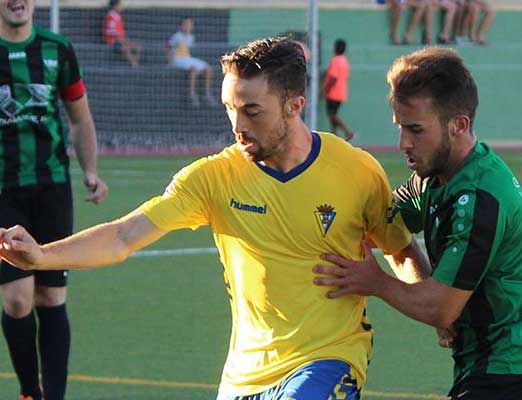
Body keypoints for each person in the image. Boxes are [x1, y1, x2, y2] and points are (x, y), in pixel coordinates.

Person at [0, 37, 428, 400]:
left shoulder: (356, 171)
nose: (236, 124)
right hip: (243, 376)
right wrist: (40, 257)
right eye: (229, 107)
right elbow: (123, 235)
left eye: (252, 111)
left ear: (294, 106)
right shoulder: (213, 178)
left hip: (329, 358)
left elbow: (400, 249)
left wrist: (438, 312)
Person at [313, 47, 522, 400]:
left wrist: (375, 282)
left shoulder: (480, 197)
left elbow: (440, 307)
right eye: (401, 128)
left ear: (459, 124)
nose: (403, 143)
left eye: (416, 130)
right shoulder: (432, 178)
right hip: (490, 366)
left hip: (515, 374)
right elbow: (382, 227)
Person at [0, 1, 109, 399]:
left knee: (51, 296)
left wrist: (90, 171)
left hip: (52, 188)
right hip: (3, 190)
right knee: (16, 299)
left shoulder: (57, 49)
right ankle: (31, 391)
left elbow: (79, 118)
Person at [167, 17, 215, 106]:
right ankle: (192, 94)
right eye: (186, 24)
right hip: (177, 59)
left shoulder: (191, 37)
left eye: (190, 24)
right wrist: (170, 62)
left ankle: (207, 94)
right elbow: (168, 48)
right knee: (194, 69)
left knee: (208, 68)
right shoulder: (176, 36)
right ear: (181, 26)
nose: (188, 26)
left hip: (187, 58)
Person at [322, 39, 355, 141]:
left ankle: (348, 132)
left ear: (335, 48)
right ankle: (335, 136)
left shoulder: (335, 60)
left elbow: (333, 77)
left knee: (332, 115)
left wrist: (325, 90)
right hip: (341, 92)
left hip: (333, 93)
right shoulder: (345, 61)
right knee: (332, 116)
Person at [102, 0, 142, 66]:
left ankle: (135, 63)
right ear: (115, 6)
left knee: (138, 47)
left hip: (120, 40)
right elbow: (111, 31)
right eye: (119, 5)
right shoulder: (110, 16)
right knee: (125, 48)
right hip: (113, 41)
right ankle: (133, 63)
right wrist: (122, 40)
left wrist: (124, 40)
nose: (121, 7)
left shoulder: (117, 16)